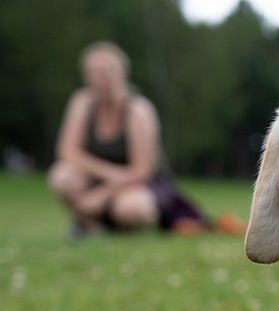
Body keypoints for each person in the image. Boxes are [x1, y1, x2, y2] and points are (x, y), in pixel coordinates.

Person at [48, 41, 242, 237]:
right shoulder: (81, 102)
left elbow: (142, 171)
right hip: (104, 177)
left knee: (131, 209)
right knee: (61, 175)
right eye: (96, 71)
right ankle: (89, 225)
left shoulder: (137, 109)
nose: (103, 77)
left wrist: (101, 194)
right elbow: (67, 152)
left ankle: (126, 228)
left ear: (123, 74)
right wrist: (110, 174)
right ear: (86, 76)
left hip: (142, 183)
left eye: (109, 70)